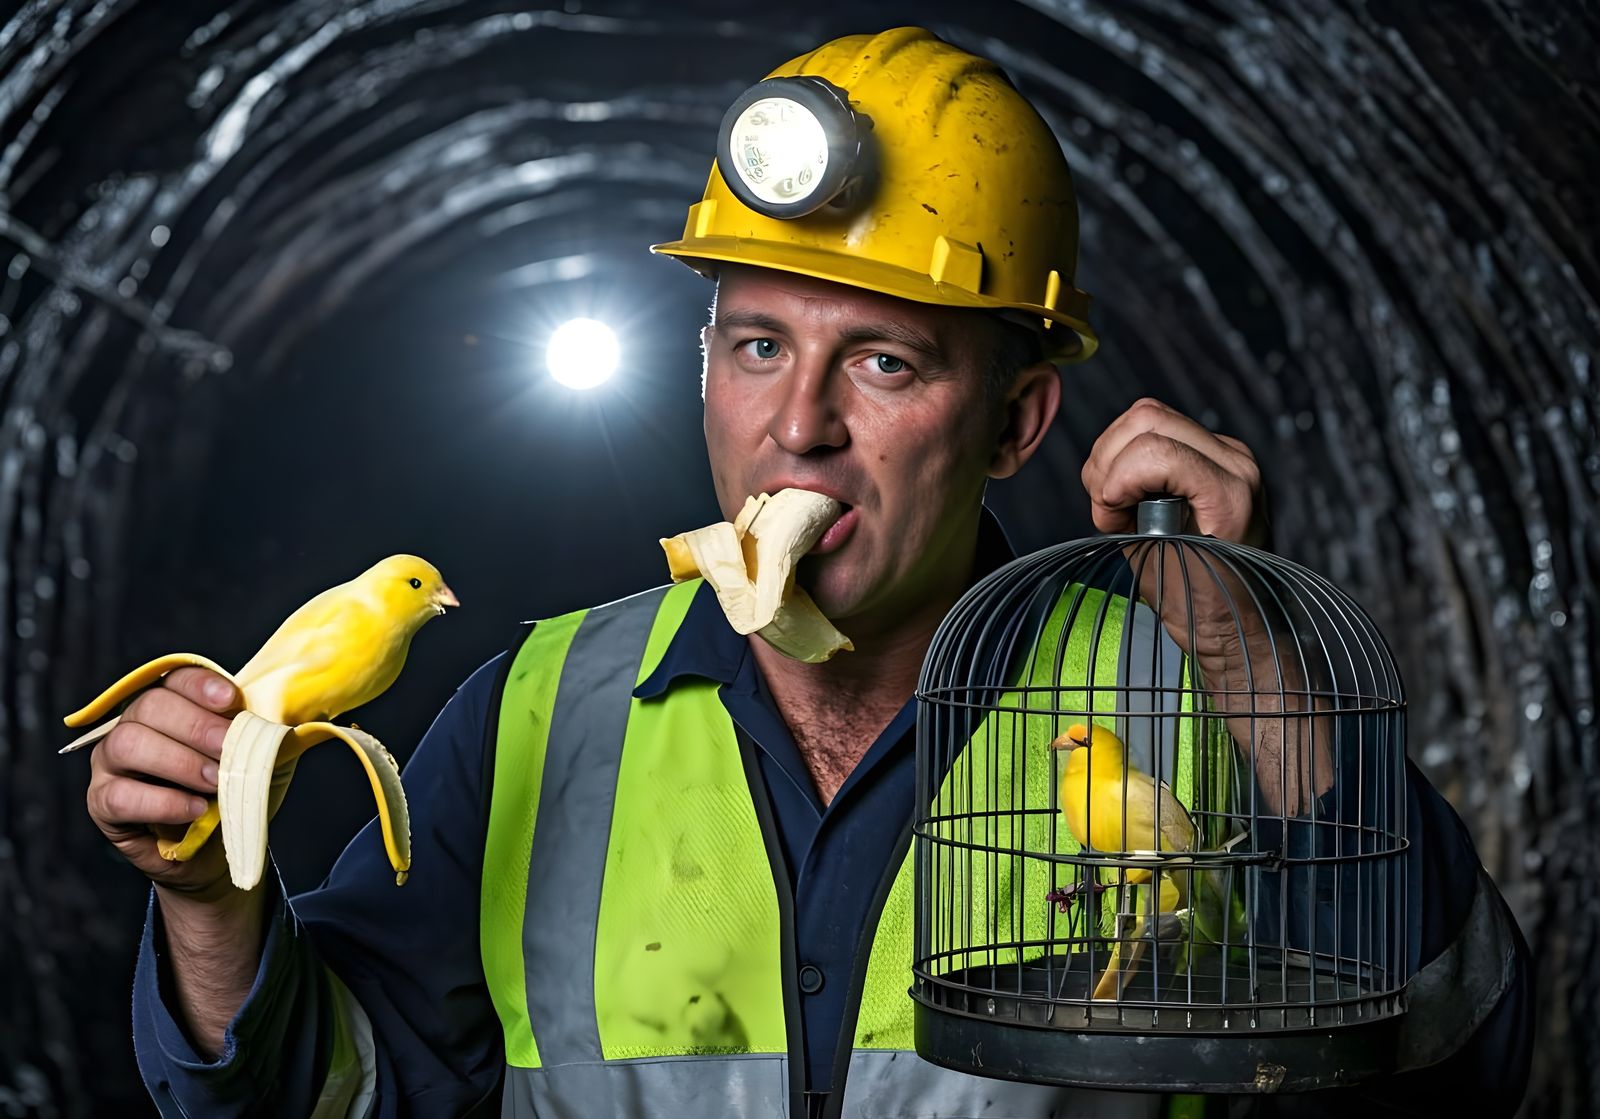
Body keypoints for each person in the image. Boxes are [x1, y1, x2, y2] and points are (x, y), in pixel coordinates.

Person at [88, 27, 1530, 1119]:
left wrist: (1250, 661)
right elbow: (322, 1094)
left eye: (885, 362)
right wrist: (213, 901)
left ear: (1017, 422)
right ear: (702, 368)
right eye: (759, 345)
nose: (799, 429)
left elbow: (1460, 1068)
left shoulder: (1190, 698)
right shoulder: (540, 711)